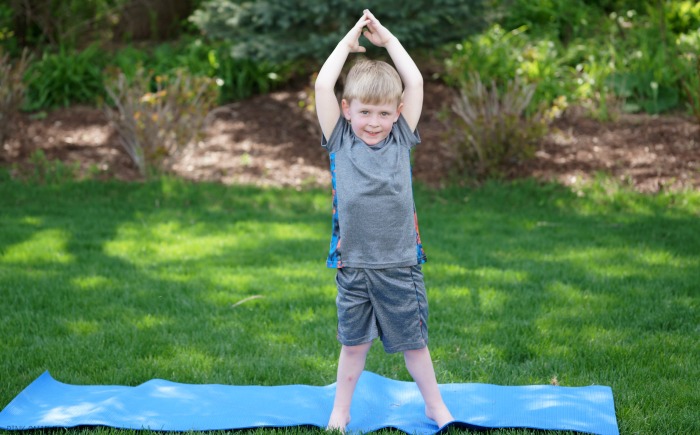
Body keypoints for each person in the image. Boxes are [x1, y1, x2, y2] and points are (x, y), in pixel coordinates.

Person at [314, 9, 454, 432]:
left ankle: (435, 406)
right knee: (353, 345)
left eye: (382, 113)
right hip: (353, 265)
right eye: (364, 112)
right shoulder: (339, 139)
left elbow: (415, 82)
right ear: (347, 109)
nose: (373, 123)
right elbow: (323, 82)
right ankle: (340, 411)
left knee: (414, 343)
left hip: (399, 264)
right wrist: (349, 41)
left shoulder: (400, 137)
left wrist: (388, 41)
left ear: (396, 113)